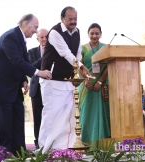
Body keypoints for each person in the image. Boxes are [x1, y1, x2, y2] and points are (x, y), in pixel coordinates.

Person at [0, 14, 52, 154]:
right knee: (5, 120)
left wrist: (23, 80)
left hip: (11, 84)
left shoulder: (20, 39)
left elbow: (19, 63)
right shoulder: (10, 37)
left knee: (18, 115)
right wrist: (38, 72)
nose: (36, 31)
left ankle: (20, 152)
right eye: (35, 27)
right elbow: (16, 60)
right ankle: (4, 153)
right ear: (26, 23)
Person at [38, 6, 90, 153]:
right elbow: (65, 53)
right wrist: (81, 67)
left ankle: (64, 148)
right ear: (62, 19)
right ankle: (44, 149)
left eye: (75, 19)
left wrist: (79, 64)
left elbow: (77, 51)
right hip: (52, 81)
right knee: (52, 116)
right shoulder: (54, 32)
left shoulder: (77, 31)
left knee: (67, 116)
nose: (73, 22)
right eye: (70, 19)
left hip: (68, 81)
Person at [78, 23, 110, 149]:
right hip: (86, 86)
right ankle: (86, 144)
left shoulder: (106, 48)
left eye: (97, 33)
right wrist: (84, 80)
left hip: (101, 86)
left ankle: (102, 145)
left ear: (100, 34)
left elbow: (108, 66)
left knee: (102, 113)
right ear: (88, 34)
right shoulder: (82, 48)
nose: (94, 36)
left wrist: (100, 81)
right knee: (86, 114)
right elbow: (78, 66)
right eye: (92, 33)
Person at [28, 28, 48, 150]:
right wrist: (46, 56)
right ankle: (38, 144)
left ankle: (49, 142)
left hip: (51, 89)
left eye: (46, 37)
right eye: (42, 37)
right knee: (37, 117)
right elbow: (31, 67)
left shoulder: (56, 51)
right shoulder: (31, 52)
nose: (44, 39)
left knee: (50, 117)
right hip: (36, 90)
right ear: (37, 39)